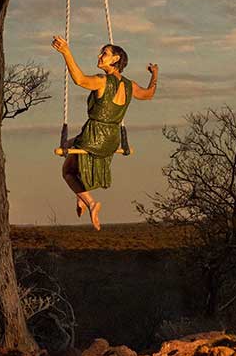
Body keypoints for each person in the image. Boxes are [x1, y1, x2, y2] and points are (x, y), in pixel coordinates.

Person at [51, 36, 157, 230]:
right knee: (67, 146)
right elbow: (149, 94)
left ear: (115, 59)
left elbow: (80, 80)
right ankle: (80, 197)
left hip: (93, 136)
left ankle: (91, 202)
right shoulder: (130, 85)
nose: (100, 56)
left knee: (67, 172)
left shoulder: (102, 81)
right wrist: (154, 74)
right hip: (112, 139)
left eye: (105, 54)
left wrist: (66, 52)